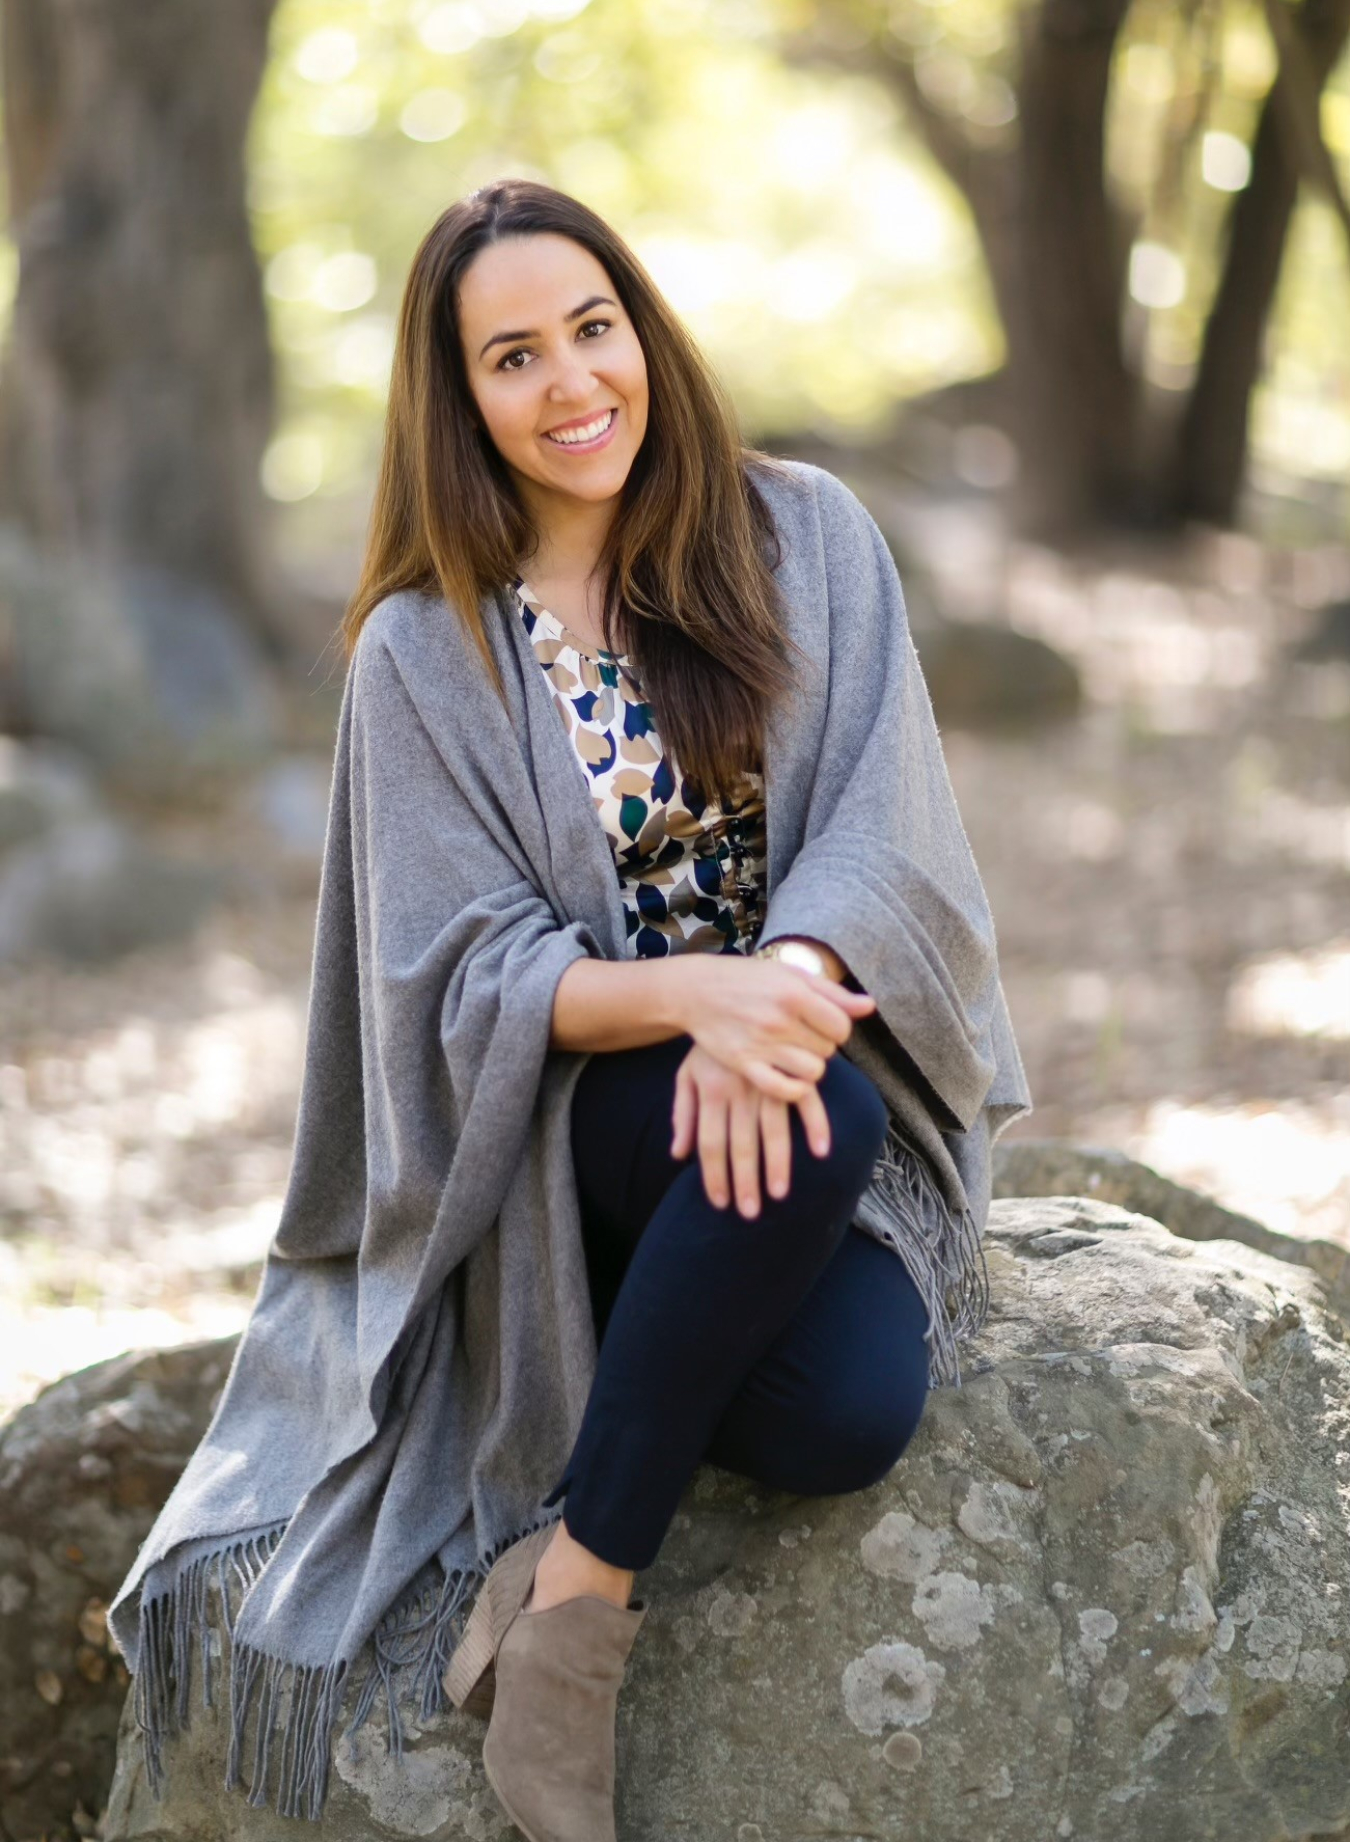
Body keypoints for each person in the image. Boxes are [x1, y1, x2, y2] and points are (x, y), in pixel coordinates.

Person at [107, 178, 1032, 1839]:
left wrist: (788, 987)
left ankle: (592, 1458)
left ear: (644, 332)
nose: (570, 383)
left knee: (843, 1418)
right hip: (567, 1138)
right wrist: (704, 998)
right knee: (807, 1107)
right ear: (457, 399)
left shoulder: (804, 538)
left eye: (592, 329)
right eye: (512, 356)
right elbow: (451, 974)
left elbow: (893, 828)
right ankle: (574, 1616)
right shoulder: (420, 650)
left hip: (805, 1074)